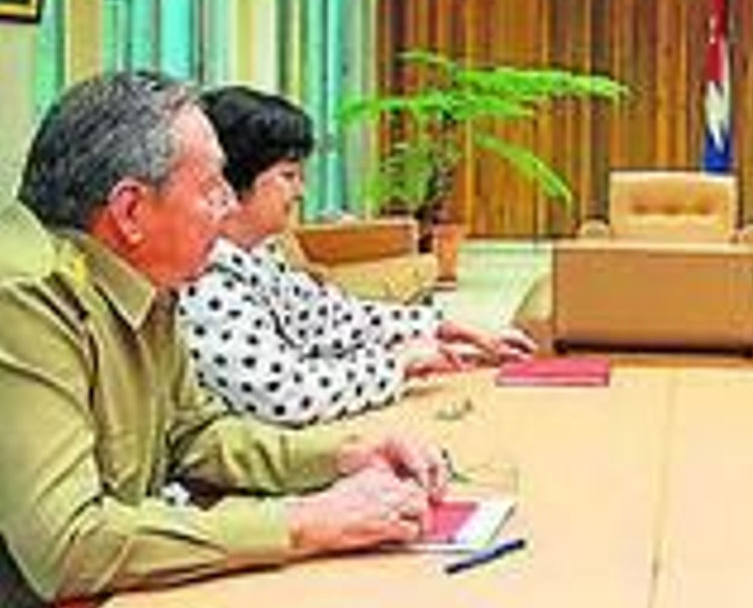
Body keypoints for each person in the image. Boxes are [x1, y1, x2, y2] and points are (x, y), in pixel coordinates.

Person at [0, 73, 449, 608]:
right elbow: (68, 543)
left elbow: (196, 435)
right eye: (213, 190)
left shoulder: (144, 282)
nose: (227, 208)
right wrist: (304, 523)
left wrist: (343, 456)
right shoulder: (29, 298)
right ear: (131, 210)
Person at [177, 86, 527, 427]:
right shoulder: (204, 280)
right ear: (227, 184)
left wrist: (448, 330)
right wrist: (396, 363)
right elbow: (286, 397)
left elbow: (328, 317)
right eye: (288, 176)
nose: (301, 192)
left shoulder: (258, 254)